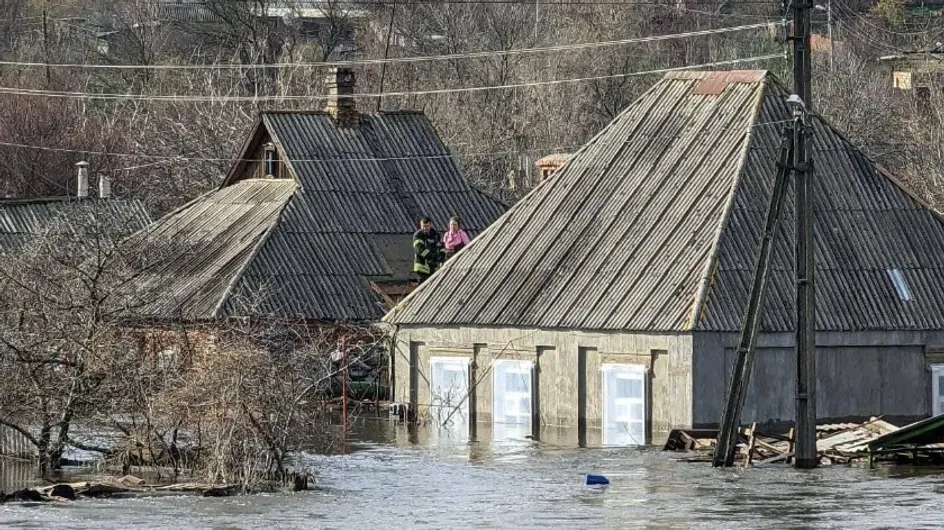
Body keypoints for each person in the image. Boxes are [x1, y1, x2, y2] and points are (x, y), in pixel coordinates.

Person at [413, 216, 443, 283]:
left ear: (430, 225)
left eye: (427, 226)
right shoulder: (418, 235)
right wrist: (432, 257)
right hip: (421, 267)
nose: (425, 228)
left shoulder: (436, 235)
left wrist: (441, 255)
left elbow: (441, 246)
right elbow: (419, 249)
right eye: (423, 226)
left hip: (433, 267)